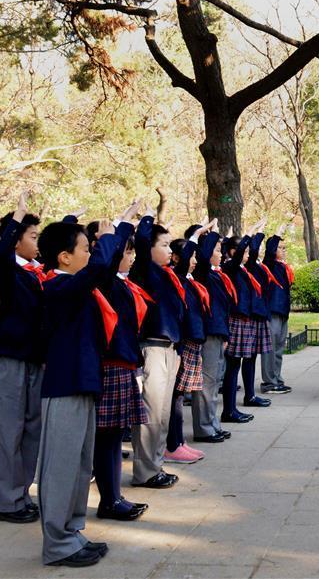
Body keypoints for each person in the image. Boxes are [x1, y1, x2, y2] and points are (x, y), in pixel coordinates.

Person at [37, 213, 126, 567]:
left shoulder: (79, 286)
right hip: (65, 386)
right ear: (64, 257)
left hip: (84, 383)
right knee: (60, 467)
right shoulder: (57, 287)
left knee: (78, 465)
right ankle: (56, 544)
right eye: (85, 249)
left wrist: (118, 232)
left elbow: (102, 270)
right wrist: (107, 237)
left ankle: (72, 532)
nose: (91, 255)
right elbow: (98, 268)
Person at [91, 202, 150, 521]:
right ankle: (109, 499)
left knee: (114, 437)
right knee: (108, 437)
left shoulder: (121, 283)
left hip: (124, 361)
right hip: (112, 362)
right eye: (125, 252)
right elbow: (108, 258)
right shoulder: (105, 280)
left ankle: (113, 497)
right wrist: (122, 224)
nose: (129, 256)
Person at [0, 191, 44, 524]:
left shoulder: (37, 273)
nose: (38, 243)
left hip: (35, 359)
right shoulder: (9, 271)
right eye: (33, 236)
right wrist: (16, 218)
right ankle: (6, 503)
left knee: (30, 431)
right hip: (10, 359)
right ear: (17, 240)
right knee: (8, 431)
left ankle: (22, 494)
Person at [129, 208, 186, 489]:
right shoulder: (145, 270)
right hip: (151, 347)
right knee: (149, 413)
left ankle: (156, 465)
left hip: (169, 348)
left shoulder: (167, 275)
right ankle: (145, 471)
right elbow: (140, 243)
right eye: (163, 244)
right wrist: (147, 219)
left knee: (161, 413)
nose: (169, 250)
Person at [164, 223, 213, 464]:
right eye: (190, 256)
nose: (193, 260)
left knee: (179, 394)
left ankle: (179, 441)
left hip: (193, 340)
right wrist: (195, 236)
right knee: (175, 396)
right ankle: (172, 444)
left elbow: (203, 260)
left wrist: (209, 236)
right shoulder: (175, 276)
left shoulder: (192, 278)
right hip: (182, 341)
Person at [221, 218, 269, 422]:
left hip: (248, 318)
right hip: (237, 319)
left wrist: (258, 234)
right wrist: (249, 233)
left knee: (245, 361)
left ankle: (246, 398)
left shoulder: (243, 268)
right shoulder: (230, 267)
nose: (248, 255)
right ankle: (228, 410)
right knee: (232, 367)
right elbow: (242, 252)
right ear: (232, 251)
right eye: (244, 251)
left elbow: (252, 253)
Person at [191, 222, 234, 443]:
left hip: (218, 332)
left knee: (215, 381)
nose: (220, 254)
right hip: (208, 332)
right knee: (206, 383)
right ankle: (204, 428)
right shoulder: (202, 272)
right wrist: (212, 232)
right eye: (217, 250)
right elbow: (205, 253)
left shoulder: (216, 275)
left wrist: (225, 335)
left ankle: (213, 424)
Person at [241, 227, 274, 407]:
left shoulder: (259, 264)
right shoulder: (248, 265)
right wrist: (257, 234)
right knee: (247, 358)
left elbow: (267, 256)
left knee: (252, 357)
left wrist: (273, 236)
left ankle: (251, 394)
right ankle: (249, 395)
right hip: (252, 315)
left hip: (260, 313)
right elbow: (253, 252)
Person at [260, 225, 294, 394]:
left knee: (279, 347)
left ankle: (277, 378)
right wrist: (277, 234)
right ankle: (268, 382)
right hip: (272, 311)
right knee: (270, 348)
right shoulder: (269, 264)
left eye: (284, 248)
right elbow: (270, 249)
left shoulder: (283, 266)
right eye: (280, 248)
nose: (283, 250)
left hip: (282, 312)